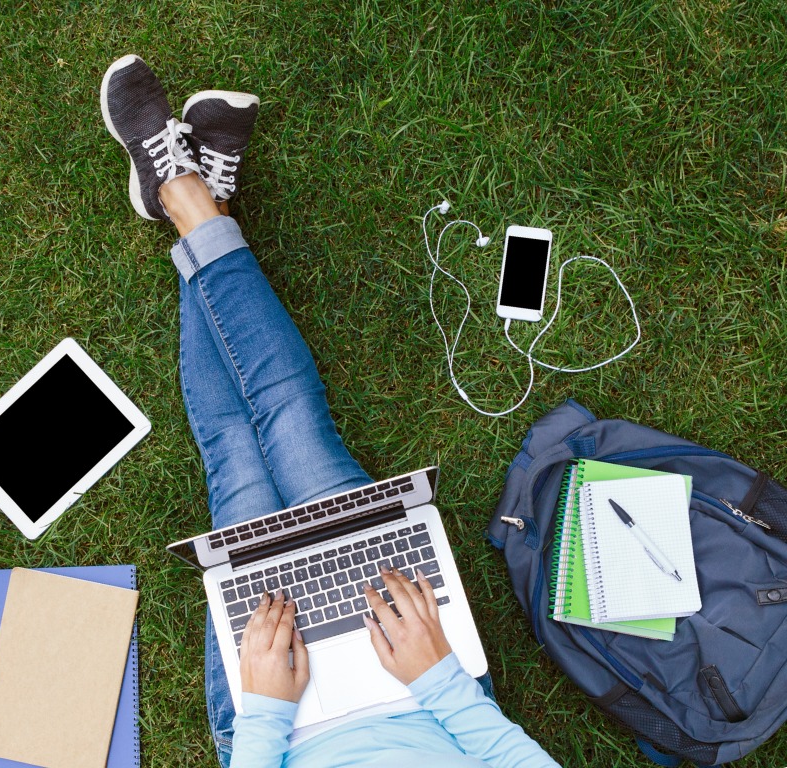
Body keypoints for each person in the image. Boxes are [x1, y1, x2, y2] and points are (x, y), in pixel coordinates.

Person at [101, 54, 561, 768]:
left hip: (279, 726)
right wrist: (438, 678)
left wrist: (263, 717)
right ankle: (191, 203)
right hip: (428, 692)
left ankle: (185, 197)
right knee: (294, 421)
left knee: (236, 457)